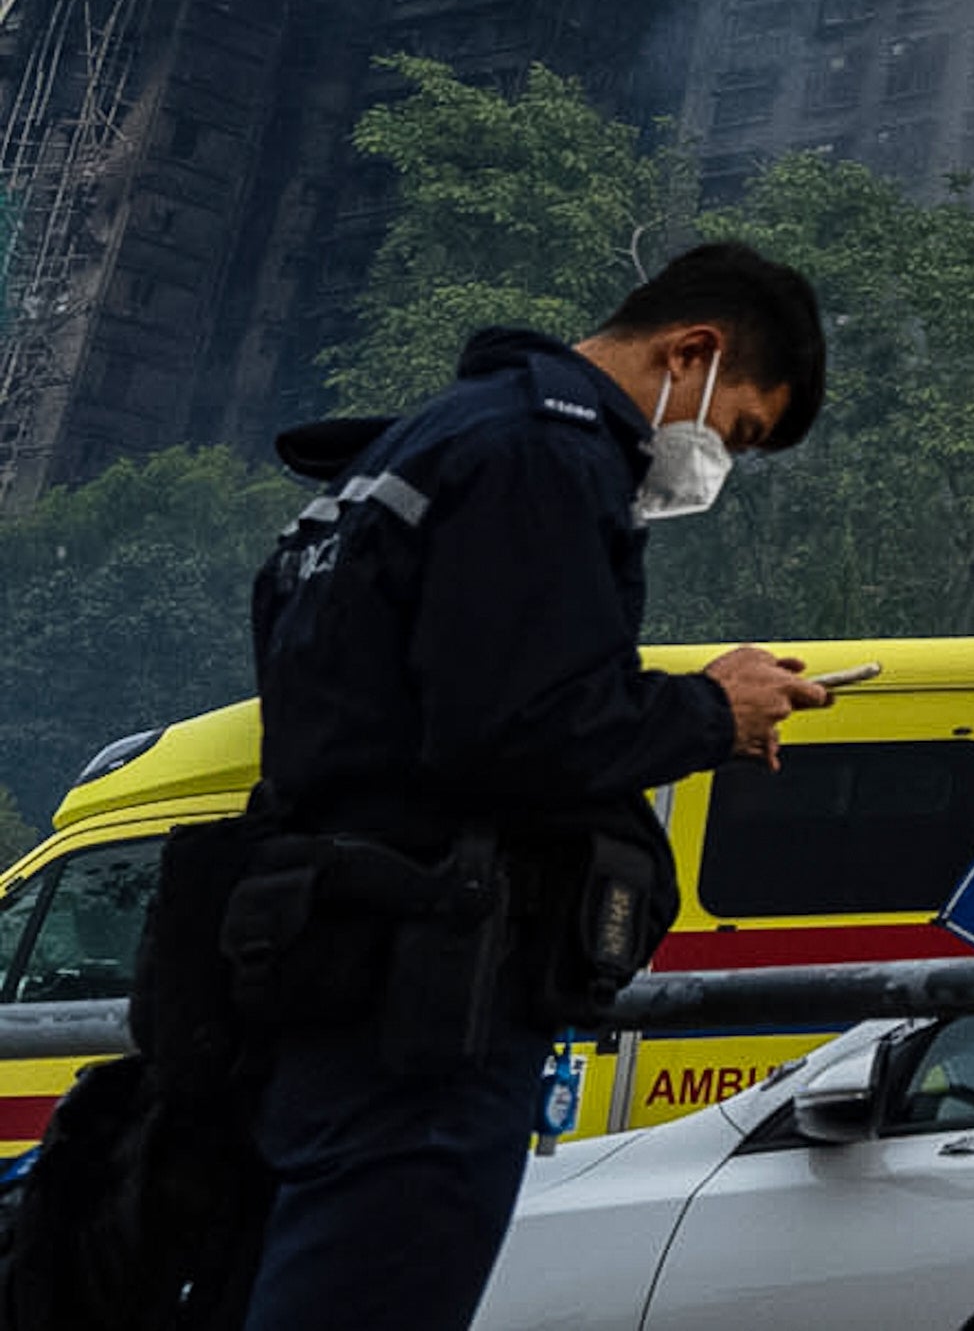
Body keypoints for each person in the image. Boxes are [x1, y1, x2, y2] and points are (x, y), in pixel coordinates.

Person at [228, 243, 836, 1331]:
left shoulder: (414, 446)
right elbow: (512, 730)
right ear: (692, 352)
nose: (716, 464)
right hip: (426, 992)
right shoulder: (544, 455)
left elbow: (436, 701)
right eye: (736, 430)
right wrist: (711, 710)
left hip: (328, 957)